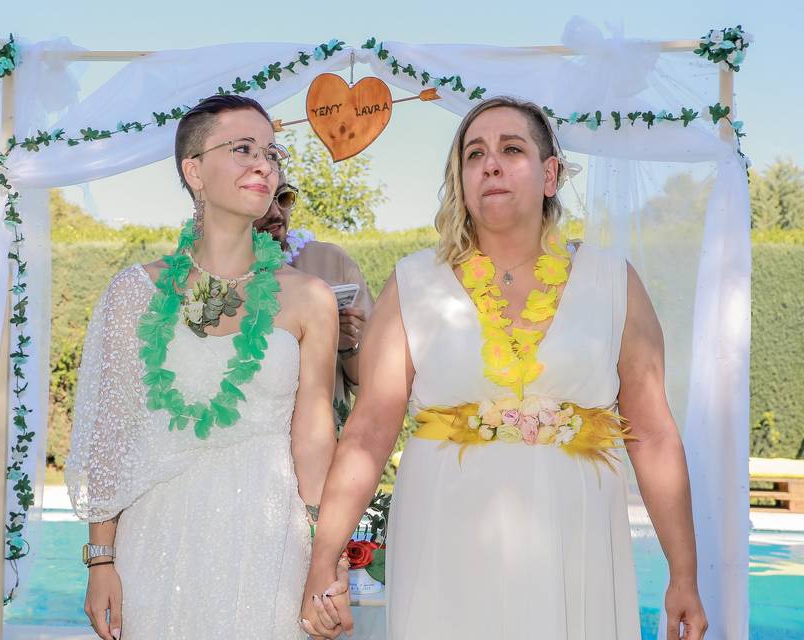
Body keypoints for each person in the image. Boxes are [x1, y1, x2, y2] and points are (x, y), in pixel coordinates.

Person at [300, 96, 708, 639]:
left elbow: (654, 435)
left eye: (511, 149)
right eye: (474, 154)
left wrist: (684, 573)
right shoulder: (415, 284)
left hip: (575, 544)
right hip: (445, 542)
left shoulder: (613, 281)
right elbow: (370, 430)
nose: (490, 163)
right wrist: (325, 558)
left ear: (550, 174)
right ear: (461, 179)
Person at [64, 94, 347, 640]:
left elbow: (314, 438)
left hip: (270, 541)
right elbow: (111, 436)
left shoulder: (310, 298)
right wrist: (101, 561)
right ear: (193, 170)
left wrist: (326, 561)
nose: (263, 164)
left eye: (271, 152)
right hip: (155, 537)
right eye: (242, 149)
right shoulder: (134, 292)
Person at [254, 179, 375, 410]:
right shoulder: (207, 276)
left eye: (283, 198)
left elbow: (377, 381)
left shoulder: (333, 262)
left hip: (325, 433)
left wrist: (349, 347)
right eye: (261, 199)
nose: (275, 212)